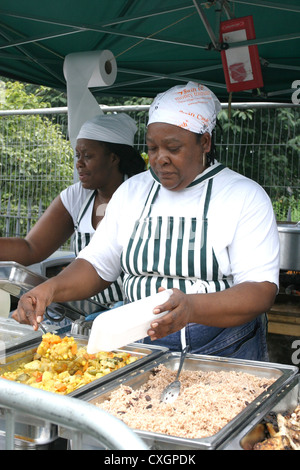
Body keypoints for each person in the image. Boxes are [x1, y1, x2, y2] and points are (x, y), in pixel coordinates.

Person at [14, 82, 280, 361]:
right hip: (138, 346)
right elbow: (97, 263)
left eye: (173, 148)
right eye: (152, 148)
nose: (160, 159)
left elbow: (260, 291)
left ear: (205, 142)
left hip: (221, 349)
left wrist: (191, 308)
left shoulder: (243, 196)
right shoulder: (133, 192)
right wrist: (50, 289)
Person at [3, 113, 145, 316]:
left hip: (131, 314)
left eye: (87, 156)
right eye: (78, 155)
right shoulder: (78, 196)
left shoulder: (141, 197)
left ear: (113, 158)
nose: (79, 163)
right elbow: (31, 248)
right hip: (86, 312)